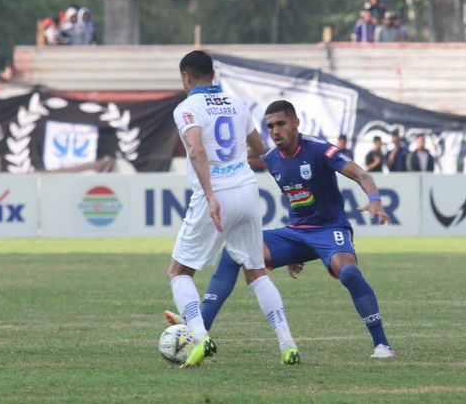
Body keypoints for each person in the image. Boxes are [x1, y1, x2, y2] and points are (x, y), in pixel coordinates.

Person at [195, 100, 395, 359]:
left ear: (295, 123)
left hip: (329, 228)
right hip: (295, 232)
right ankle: (199, 332)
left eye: (281, 124)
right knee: (234, 250)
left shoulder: (319, 149)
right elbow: (296, 198)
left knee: (348, 273)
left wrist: (375, 200)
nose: (275, 131)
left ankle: (382, 344)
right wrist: (294, 252)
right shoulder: (271, 158)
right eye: (270, 126)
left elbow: (361, 175)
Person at [166, 51, 299, 367]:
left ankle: (200, 335)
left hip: (217, 195)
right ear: (212, 74)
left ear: (186, 77)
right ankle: (287, 343)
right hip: (247, 192)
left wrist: (211, 194)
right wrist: (235, 161)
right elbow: (258, 147)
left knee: (178, 272)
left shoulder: (187, 108)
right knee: (255, 273)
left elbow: (197, 149)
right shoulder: (236, 103)